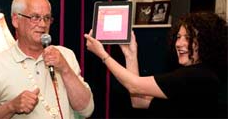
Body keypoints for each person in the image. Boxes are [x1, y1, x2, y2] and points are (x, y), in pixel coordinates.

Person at [84, 12, 227, 118]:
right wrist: (130, 54)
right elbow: (138, 100)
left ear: (207, 41)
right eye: (178, 37)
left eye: (188, 38)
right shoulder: (191, 76)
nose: (179, 43)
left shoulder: (199, 76)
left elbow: (135, 85)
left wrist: (103, 55)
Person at [0, 0, 94, 119]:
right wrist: (11, 107)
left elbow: (86, 110)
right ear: (16, 20)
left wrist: (65, 69)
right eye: (35, 17)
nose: (43, 24)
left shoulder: (66, 55)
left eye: (47, 18)